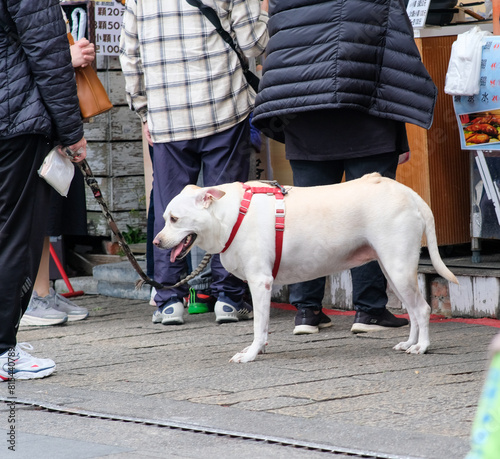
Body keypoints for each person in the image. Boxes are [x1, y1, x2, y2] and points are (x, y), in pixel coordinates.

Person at [252, 0, 437, 335]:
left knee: (304, 217)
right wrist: (401, 137)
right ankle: (369, 311)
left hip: (305, 115)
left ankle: (307, 312)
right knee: (370, 217)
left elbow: (278, 48)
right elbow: (393, 58)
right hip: (365, 112)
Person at [119, 0, 269, 326]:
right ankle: (229, 299)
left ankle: (169, 301)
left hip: (167, 116)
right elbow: (254, 41)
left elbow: (130, 55)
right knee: (226, 207)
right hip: (223, 108)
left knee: (170, 209)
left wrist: (144, 109)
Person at [0, 0, 87, 380]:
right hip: (13, 119)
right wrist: (72, 132)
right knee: (16, 235)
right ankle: (3, 351)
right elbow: (49, 53)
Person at [20, 9, 93, 327]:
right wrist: (67, 57)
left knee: (48, 211)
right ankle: (30, 296)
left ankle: (42, 290)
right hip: (21, 118)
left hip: (38, 116)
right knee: (30, 214)